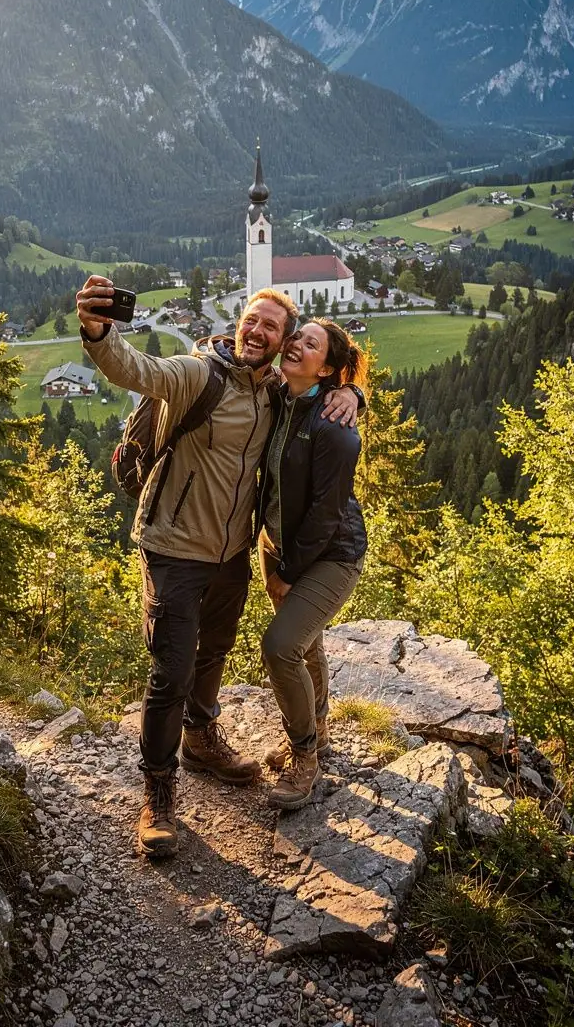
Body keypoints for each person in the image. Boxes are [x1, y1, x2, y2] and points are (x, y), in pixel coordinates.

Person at [75, 277, 362, 859]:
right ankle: (158, 795)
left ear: (283, 343)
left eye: (273, 327)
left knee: (214, 653)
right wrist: (99, 331)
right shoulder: (197, 373)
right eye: (252, 320)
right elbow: (136, 370)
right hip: (174, 546)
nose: (259, 331)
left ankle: (201, 737)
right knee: (171, 671)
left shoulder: (274, 390)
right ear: (239, 325)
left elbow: (324, 386)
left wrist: (355, 394)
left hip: (232, 553)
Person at [257, 318, 368, 810]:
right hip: (278, 543)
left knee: (281, 646)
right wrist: (357, 391)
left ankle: (304, 757)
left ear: (325, 368)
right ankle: (318, 731)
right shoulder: (280, 395)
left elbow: (325, 514)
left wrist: (288, 571)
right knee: (307, 643)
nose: (297, 343)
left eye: (311, 344)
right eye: (297, 336)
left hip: (331, 554)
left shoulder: (336, 427)